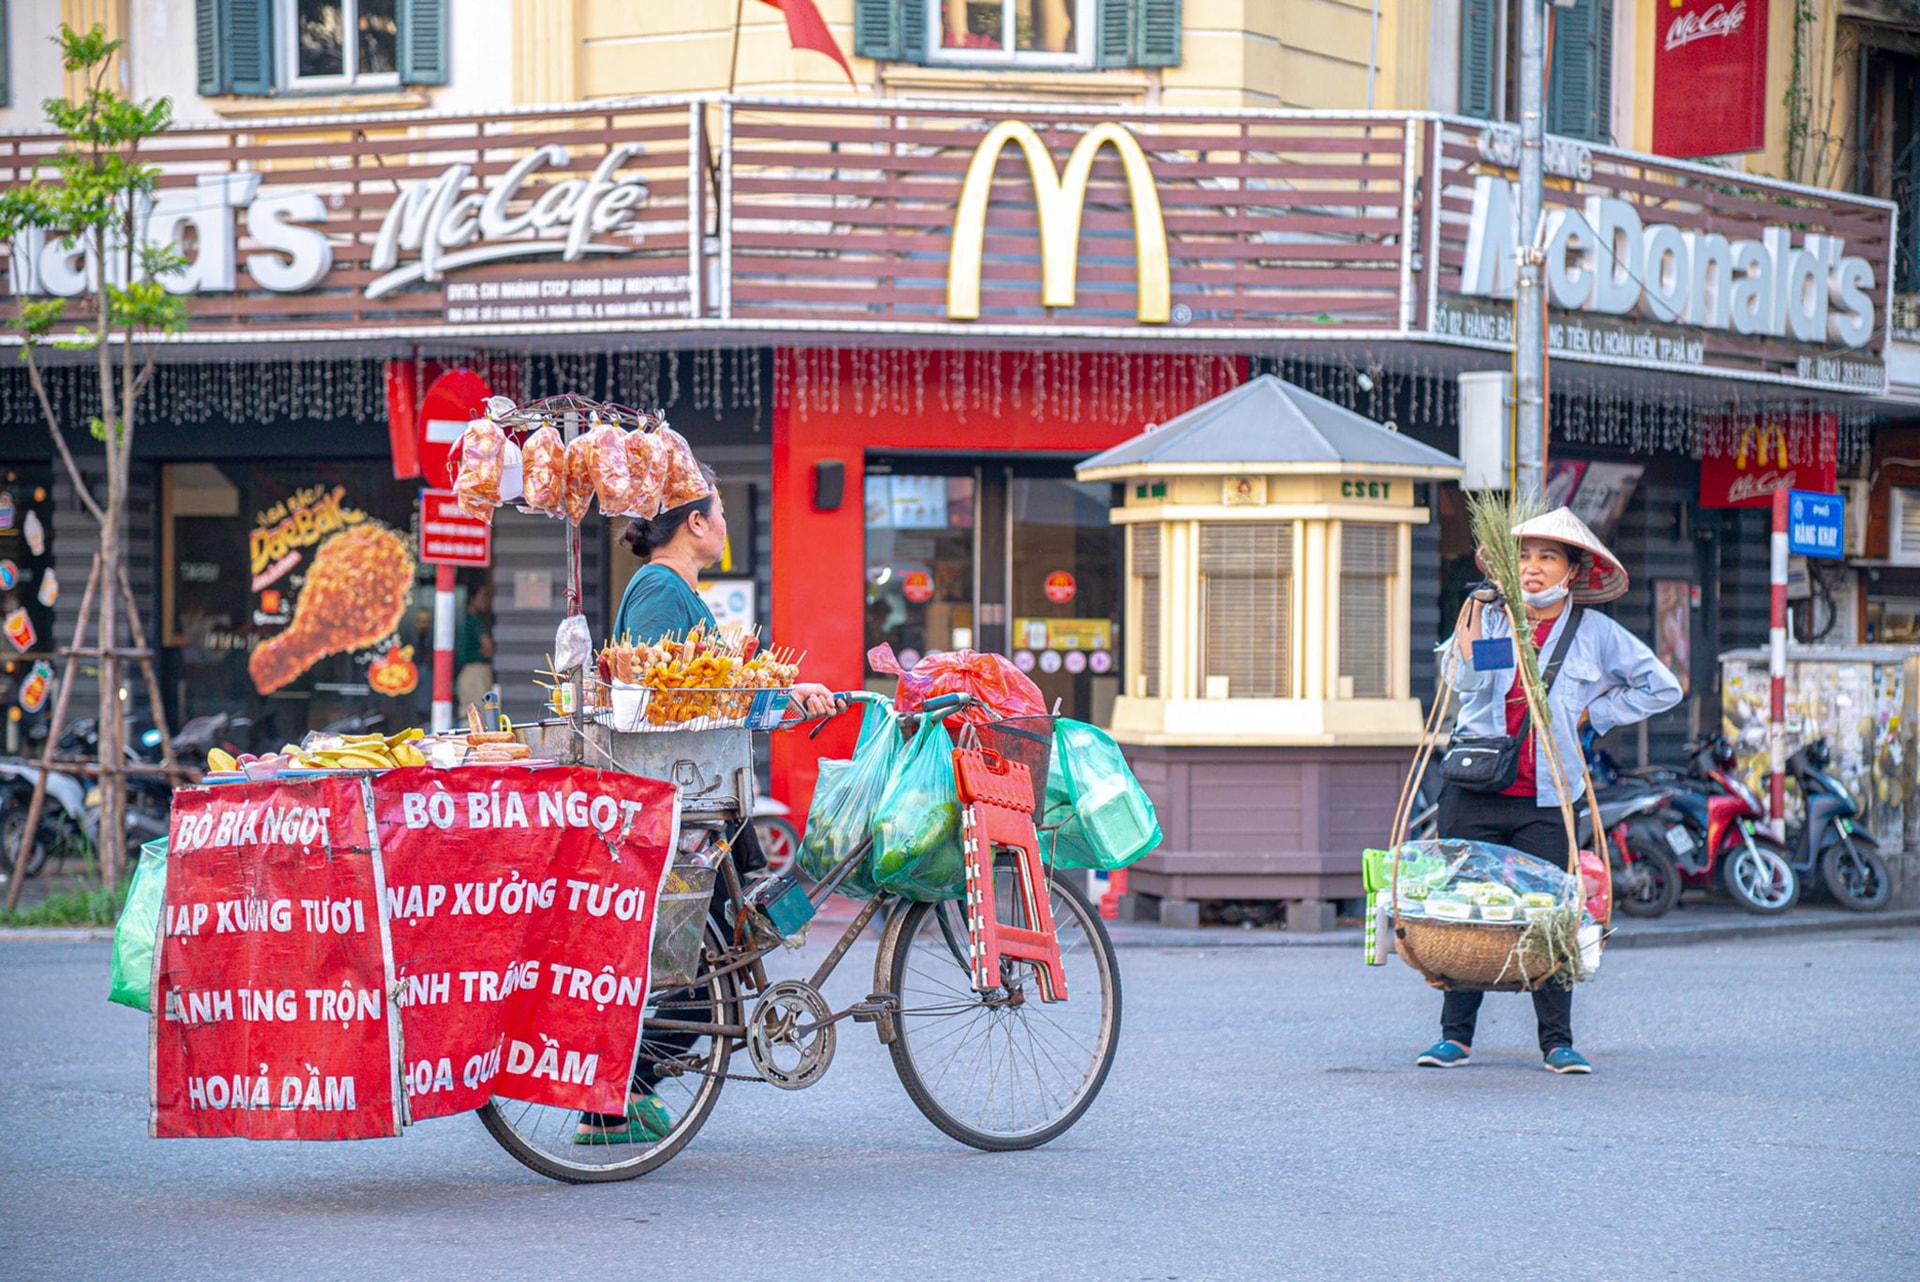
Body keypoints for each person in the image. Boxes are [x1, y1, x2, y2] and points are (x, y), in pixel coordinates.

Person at [580, 466, 837, 1144]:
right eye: (718, 510)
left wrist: (787, 693)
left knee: (736, 941)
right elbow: (671, 705)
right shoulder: (663, 591)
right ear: (696, 522)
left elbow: (721, 691)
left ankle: (622, 1091)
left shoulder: (677, 590)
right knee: (705, 963)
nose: (723, 522)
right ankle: (617, 1093)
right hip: (691, 800)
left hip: (716, 795)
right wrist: (775, 701)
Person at [1418, 507, 1681, 1076]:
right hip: (1475, 790)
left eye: (1547, 557)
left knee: (1552, 914)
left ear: (1573, 571)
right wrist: (1469, 622)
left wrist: (1599, 710)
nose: (1532, 569)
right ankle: (1454, 1037)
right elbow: (1457, 686)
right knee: (1468, 910)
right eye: (1524, 557)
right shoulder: (1488, 621)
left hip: (1547, 797)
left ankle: (1557, 1042)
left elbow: (1663, 687)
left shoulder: (1597, 634)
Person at [453, 582, 495, 715]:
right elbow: (489, 648)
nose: (486, 599)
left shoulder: (460, 620)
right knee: (479, 715)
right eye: (482, 595)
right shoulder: (473, 622)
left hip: (463, 673)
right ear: (472, 598)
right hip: (476, 672)